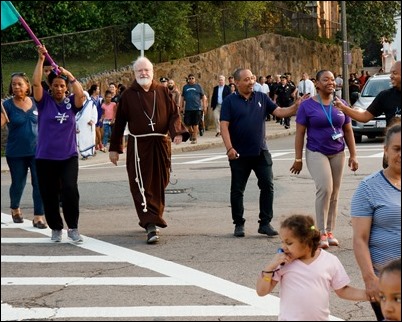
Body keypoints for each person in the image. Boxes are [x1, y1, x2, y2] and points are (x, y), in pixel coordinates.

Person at [108, 56, 190, 244]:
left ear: (152, 72)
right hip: (139, 147)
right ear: (134, 74)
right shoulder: (128, 95)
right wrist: (114, 148)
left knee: (161, 181)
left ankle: (152, 216)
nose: (143, 73)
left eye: (146, 70)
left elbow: (174, 114)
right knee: (141, 184)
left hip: (161, 144)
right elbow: (119, 123)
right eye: (140, 71)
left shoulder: (162, 91)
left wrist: (177, 132)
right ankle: (151, 223)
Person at [220, 68, 307, 238]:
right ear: (236, 83)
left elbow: (280, 112)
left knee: (267, 185)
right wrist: (229, 148)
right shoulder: (230, 101)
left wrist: (296, 107)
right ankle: (239, 223)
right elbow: (224, 126)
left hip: (260, 151)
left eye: (252, 78)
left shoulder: (261, 97)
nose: (251, 82)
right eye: (246, 79)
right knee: (237, 190)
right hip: (239, 154)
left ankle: (265, 223)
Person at [290, 69, 358, 249]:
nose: (331, 82)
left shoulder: (340, 104)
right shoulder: (307, 106)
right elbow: (300, 133)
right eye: (326, 80)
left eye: (333, 79)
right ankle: (319, 232)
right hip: (316, 151)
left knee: (334, 193)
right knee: (325, 189)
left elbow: (348, 131)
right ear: (317, 84)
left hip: (338, 152)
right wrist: (298, 158)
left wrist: (354, 155)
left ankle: (329, 231)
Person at [256, 214, 369, 321]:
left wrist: (369, 295)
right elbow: (262, 291)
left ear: (307, 242)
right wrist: (271, 266)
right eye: (282, 242)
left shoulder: (329, 261)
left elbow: (343, 290)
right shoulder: (283, 263)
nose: (283, 247)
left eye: (289, 243)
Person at [32, 45, 86, 243]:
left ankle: (73, 227)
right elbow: (36, 83)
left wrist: (69, 76)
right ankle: (56, 227)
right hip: (45, 157)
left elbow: (80, 95)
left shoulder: (72, 103)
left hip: (68, 156)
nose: (59, 89)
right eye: (55, 85)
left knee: (70, 189)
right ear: (51, 87)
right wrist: (40, 59)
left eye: (62, 86)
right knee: (49, 193)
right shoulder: (43, 101)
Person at [350, 121, 401, 321]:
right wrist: (369, 278)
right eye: (397, 149)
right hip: (387, 285)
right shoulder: (369, 188)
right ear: (386, 150)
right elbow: (360, 239)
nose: (400, 154)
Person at [1, 72, 47, 229]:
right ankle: (15, 208)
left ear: (27, 86)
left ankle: (39, 216)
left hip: (37, 151)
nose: (16, 87)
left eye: (20, 84)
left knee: (39, 183)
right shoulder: (6, 105)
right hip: (16, 153)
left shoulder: (35, 103)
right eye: (13, 84)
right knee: (18, 183)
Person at [335, 60, 401, 168]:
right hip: (393, 152)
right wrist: (344, 108)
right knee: (390, 183)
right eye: (391, 73)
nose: (391, 76)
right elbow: (365, 117)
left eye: (395, 73)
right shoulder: (385, 96)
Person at [181, 73, 207, 144]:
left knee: (196, 123)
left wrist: (204, 106)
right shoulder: (185, 87)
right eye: (190, 78)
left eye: (193, 78)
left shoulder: (198, 87)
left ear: (195, 79)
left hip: (197, 108)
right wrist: (181, 106)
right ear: (188, 79)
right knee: (187, 123)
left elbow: (203, 97)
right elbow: (182, 97)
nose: (191, 79)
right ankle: (192, 133)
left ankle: (194, 138)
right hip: (188, 108)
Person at [75, 91, 97, 160]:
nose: (83, 98)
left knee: (87, 140)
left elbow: (94, 113)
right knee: (80, 140)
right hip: (79, 126)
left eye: (84, 96)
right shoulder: (76, 104)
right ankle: (81, 153)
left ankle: (86, 154)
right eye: (81, 96)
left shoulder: (91, 104)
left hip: (88, 126)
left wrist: (92, 120)